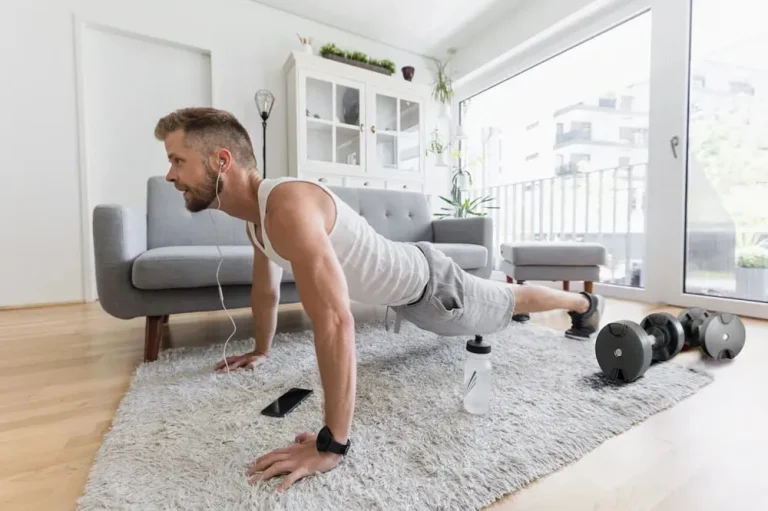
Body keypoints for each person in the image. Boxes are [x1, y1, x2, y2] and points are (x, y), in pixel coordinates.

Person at [153, 107, 605, 492]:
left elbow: (334, 320)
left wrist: (332, 443)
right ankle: (570, 305)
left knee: (508, 301)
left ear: (221, 160)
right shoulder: (257, 221)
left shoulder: (287, 204)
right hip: (408, 295)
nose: (171, 174)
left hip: (434, 288)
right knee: (505, 301)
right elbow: (265, 290)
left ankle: (584, 306)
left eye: (178, 160)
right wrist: (261, 350)